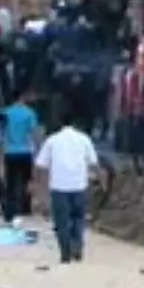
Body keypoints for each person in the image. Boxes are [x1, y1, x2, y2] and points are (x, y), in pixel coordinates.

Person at [34, 108, 105, 264]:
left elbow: (40, 165)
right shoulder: (84, 139)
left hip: (59, 187)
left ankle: (65, 253)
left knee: (61, 222)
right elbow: (94, 164)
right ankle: (77, 248)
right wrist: (102, 181)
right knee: (78, 219)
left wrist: (39, 188)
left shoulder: (52, 140)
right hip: (79, 186)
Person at [2, 94, 42, 221]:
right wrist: (38, 148)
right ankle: (25, 208)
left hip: (9, 151)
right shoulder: (29, 113)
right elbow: (34, 132)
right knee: (26, 181)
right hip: (25, 151)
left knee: (11, 182)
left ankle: (10, 210)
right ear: (23, 98)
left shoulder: (6, 113)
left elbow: (1, 132)